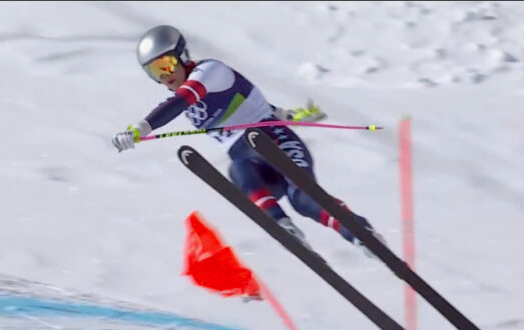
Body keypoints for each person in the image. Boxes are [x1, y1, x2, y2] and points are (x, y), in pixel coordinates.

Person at [112, 24, 384, 256]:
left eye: (167, 64)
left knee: (302, 199)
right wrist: (289, 113)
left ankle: (359, 232)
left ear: (182, 55)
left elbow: (180, 101)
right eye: (154, 72)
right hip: (252, 164)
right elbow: (251, 100)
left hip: (274, 141)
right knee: (238, 168)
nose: (165, 75)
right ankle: (282, 225)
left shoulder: (209, 72)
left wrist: (140, 129)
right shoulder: (188, 97)